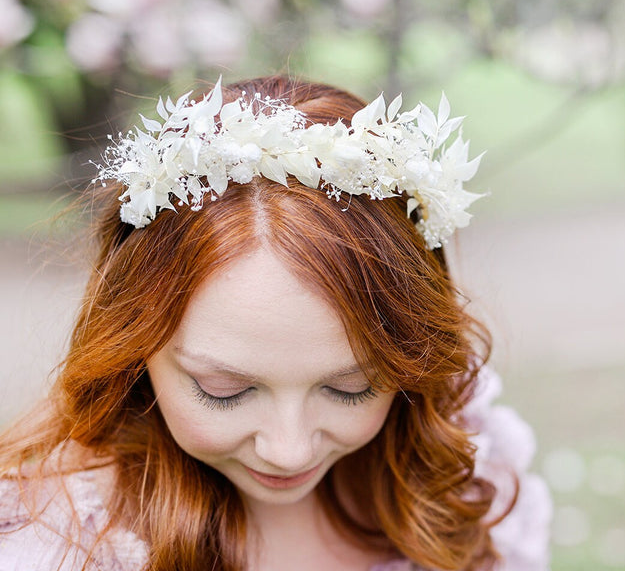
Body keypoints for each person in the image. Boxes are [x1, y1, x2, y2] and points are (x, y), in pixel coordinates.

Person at [0, 76, 551, 571]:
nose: (289, 451)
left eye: (351, 388)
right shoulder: (59, 546)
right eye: (225, 391)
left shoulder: (463, 476)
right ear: (131, 344)